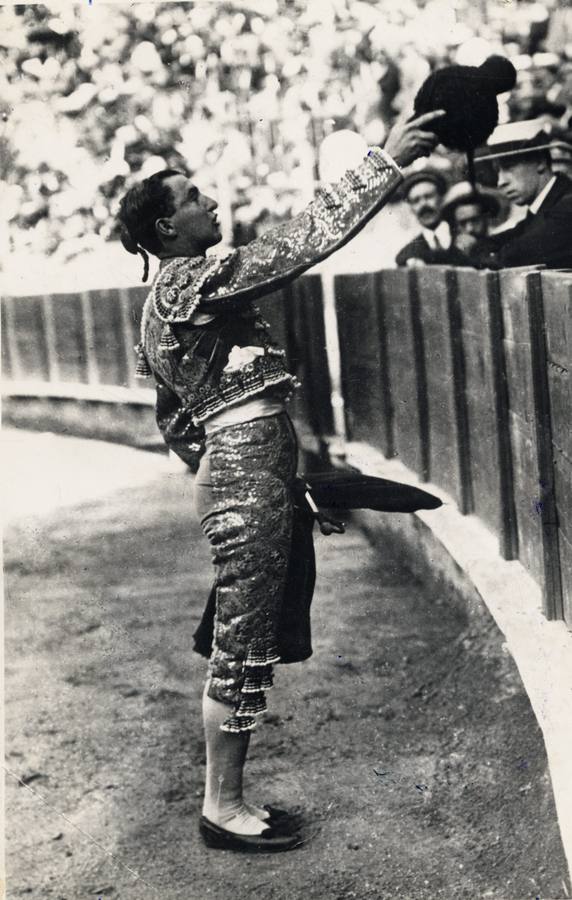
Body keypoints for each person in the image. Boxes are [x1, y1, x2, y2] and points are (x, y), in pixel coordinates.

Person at [116, 110, 444, 853]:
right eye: (194, 197)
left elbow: (176, 421)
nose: (212, 202)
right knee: (244, 639)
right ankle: (221, 807)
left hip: (248, 470)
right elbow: (301, 246)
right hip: (245, 473)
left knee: (249, 633)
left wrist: (243, 469)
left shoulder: (170, 299)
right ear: (167, 229)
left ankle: (227, 799)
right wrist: (381, 165)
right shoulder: (185, 284)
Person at [473, 120, 572, 270]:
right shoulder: (539, 210)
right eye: (497, 171)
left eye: (508, 167)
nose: (501, 182)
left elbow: (514, 256)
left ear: (540, 161)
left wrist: (493, 255)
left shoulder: (567, 205)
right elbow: (484, 247)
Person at [395, 169, 460, 267]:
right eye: (416, 201)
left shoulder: (464, 234)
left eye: (429, 196)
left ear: (442, 198)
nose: (423, 205)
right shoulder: (407, 256)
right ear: (411, 208)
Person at [439, 180, 501, 265]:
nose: (470, 229)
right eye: (462, 223)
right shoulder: (450, 254)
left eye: (475, 220)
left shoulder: (501, 245)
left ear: (486, 218)